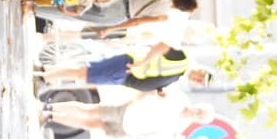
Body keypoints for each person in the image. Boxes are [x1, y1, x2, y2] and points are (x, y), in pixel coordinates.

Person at [42, 42, 208, 94]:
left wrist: (159, 89)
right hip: (129, 66)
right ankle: (47, 76)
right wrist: (143, 62)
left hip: (127, 77)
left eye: (199, 83)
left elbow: (158, 75)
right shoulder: (183, 59)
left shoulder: (180, 75)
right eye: (201, 77)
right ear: (201, 70)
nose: (197, 80)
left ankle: (47, 70)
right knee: (85, 73)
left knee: (87, 75)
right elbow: (162, 46)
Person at [43, 94, 211, 139]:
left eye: (200, 117)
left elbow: (156, 134)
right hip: (129, 111)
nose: (197, 114)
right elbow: (156, 91)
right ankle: (50, 107)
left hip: (129, 129)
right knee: (91, 111)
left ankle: (50, 117)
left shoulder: (180, 127)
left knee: (89, 123)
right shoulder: (179, 98)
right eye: (200, 111)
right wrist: (136, 99)